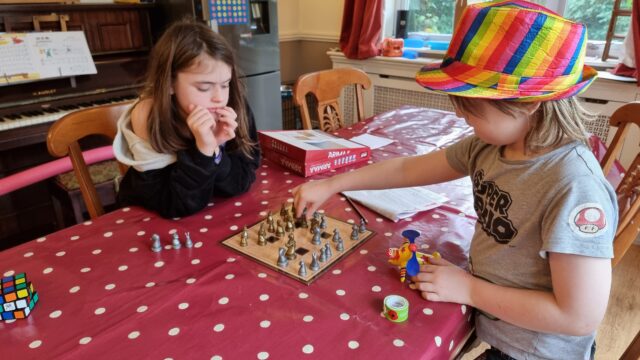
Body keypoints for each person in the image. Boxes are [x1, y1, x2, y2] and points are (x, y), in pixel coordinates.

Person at [292, 1, 618, 359]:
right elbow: (406, 170)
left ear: (528, 103)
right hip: (495, 326)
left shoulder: (575, 187)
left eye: (470, 107)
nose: (462, 118)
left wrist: (470, 291)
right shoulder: (490, 147)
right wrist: (333, 184)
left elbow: (578, 317)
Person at [113, 20, 260, 218]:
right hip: (150, 220)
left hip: (212, 213)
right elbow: (175, 206)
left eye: (225, 84)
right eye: (204, 88)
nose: (219, 97)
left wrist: (215, 151)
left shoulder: (234, 105)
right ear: (170, 84)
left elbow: (241, 182)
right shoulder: (148, 116)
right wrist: (203, 150)